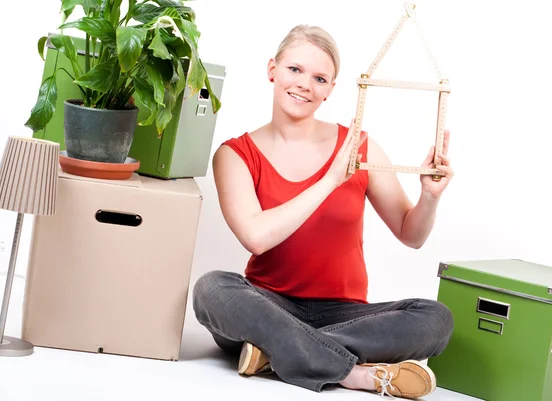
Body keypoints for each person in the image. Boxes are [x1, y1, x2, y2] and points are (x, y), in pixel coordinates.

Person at [192, 24, 454, 399]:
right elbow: (256, 236)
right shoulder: (234, 155)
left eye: (319, 78)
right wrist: (330, 180)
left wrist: (430, 196)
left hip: (345, 314)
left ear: (331, 89)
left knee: (435, 319)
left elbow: (411, 234)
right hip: (267, 305)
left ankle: (275, 354)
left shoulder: (359, 146)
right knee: (211, 289)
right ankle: (355, 374)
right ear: (272, 70)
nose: (304, 84)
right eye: (294, 70)